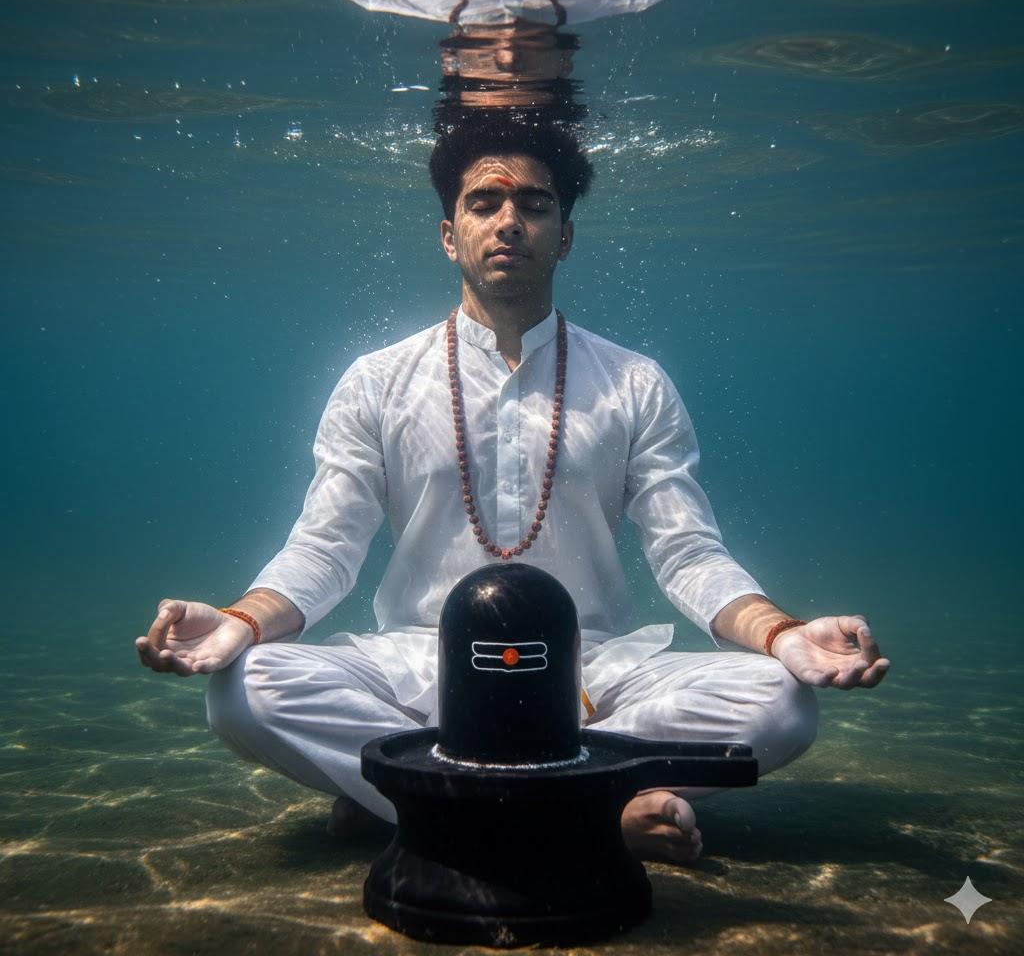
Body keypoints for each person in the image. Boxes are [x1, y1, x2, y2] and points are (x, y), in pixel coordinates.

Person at [135, 111, 890, 866]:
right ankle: (588, 812)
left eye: (533, 205)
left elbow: (688, 552)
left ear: (563, 236)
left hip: (591, 675)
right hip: (417, 666)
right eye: (483, 204)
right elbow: (324, 548)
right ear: (447, 233)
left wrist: (785, 633)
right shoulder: (376, 381)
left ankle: (416, 796)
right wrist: (241, 619)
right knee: (244, 686)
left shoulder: (633, 382)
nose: (509, 222)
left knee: (783, 699)